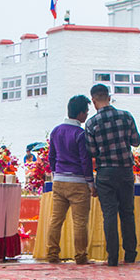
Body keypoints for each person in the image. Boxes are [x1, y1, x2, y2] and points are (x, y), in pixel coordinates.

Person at [84, 83, 140, 266]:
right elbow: (136, 142)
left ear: (93, 101)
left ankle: (113, 257)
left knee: (109, 214)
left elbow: (92, 151)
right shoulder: (126, 116)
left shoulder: (91, 123)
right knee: (127, 213)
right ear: (109, 97)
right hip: (125, 171)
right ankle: (131, 254)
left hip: (105, 173)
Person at [45, 94, 94, 264]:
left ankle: (52, 253)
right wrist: (90, 182)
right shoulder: (80, 134)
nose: (87, 115)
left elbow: (51, 156)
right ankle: (80, 256)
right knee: (79, 222)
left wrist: (55, 173)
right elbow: (85, 160)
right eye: (86, 112)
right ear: (80, 113)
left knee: (56, 219)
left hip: (59, 180)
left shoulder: (56, 131)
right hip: (78, 182)